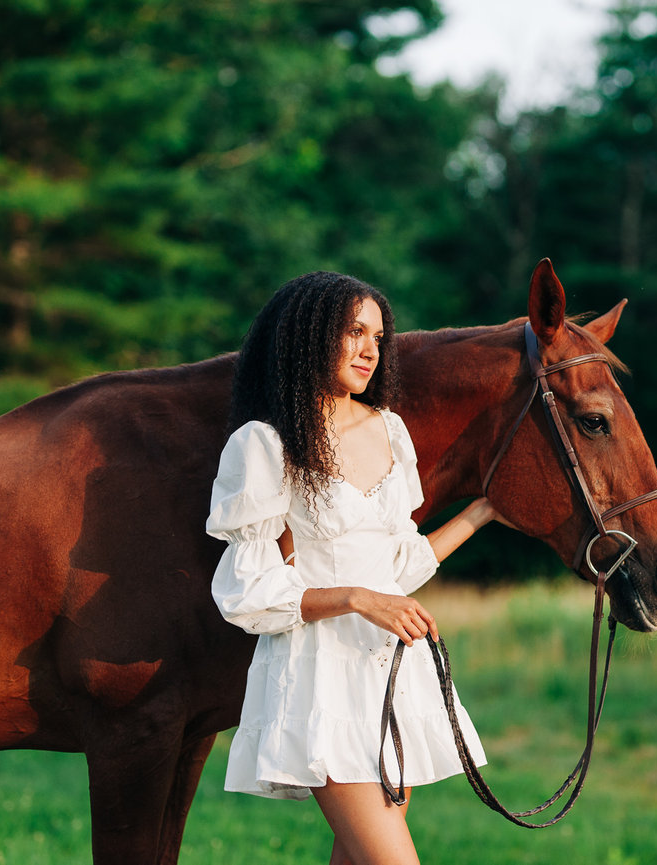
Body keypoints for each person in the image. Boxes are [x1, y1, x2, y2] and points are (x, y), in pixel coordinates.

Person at [207, 271, 498, 865]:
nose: (371, 349)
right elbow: (249, 591)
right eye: (354, 332)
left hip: (394, 672)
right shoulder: (265, 444)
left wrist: (485, 511)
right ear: (310, 335)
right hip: (318, 677)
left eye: (379, 337)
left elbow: (399, 562)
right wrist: (360, 599)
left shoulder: (388, 429)